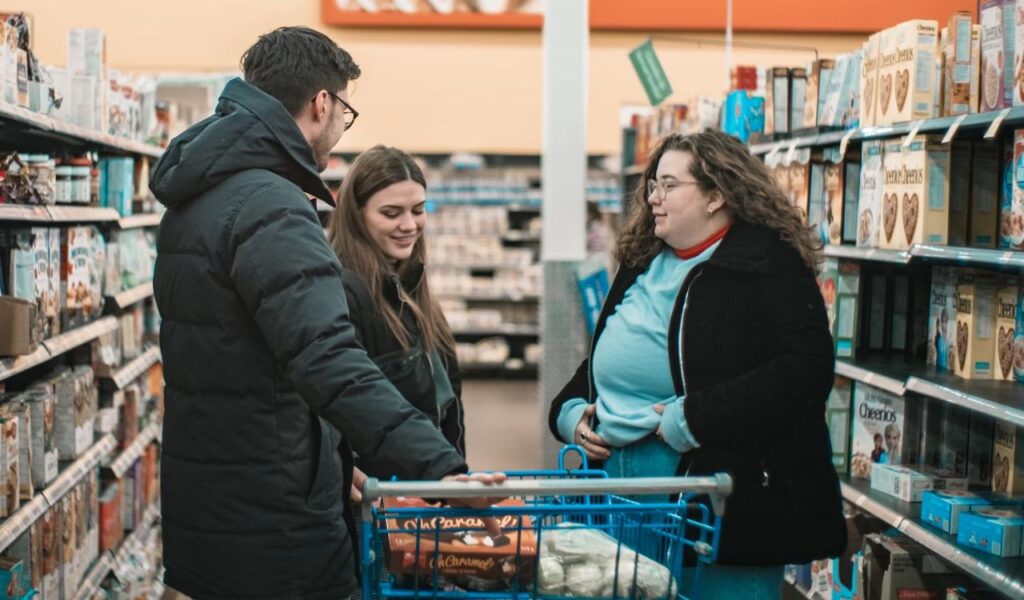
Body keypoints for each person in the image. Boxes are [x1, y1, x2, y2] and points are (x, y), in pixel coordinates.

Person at [151, 27, 502, 600]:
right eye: (345, 111)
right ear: (322, 103)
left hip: (214, 497)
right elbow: (328, 360)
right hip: (276, 519)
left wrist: (337, 463)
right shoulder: (271, 204)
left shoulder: (199, 195)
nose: (342, 125)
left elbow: (247, 363)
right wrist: (443, 471)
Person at [547, 130, 846, 596]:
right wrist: (569, 409)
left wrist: (693, 418)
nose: (653, 198)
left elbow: (804, 372)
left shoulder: (767, 265)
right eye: (653, 185)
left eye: (669, 185)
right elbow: (611, 353)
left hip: (720, 506)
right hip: (620, 499)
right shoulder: (644, 259)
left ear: (715, 195)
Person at [326, 145, 466, 481]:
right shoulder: (342, 292)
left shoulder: (411, 284)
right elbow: (352, 404)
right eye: (391, 213)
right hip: (383, 490)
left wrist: (452, 473)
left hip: (427, 483)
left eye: (418, 210)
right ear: (356, 214)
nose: (409, 225)